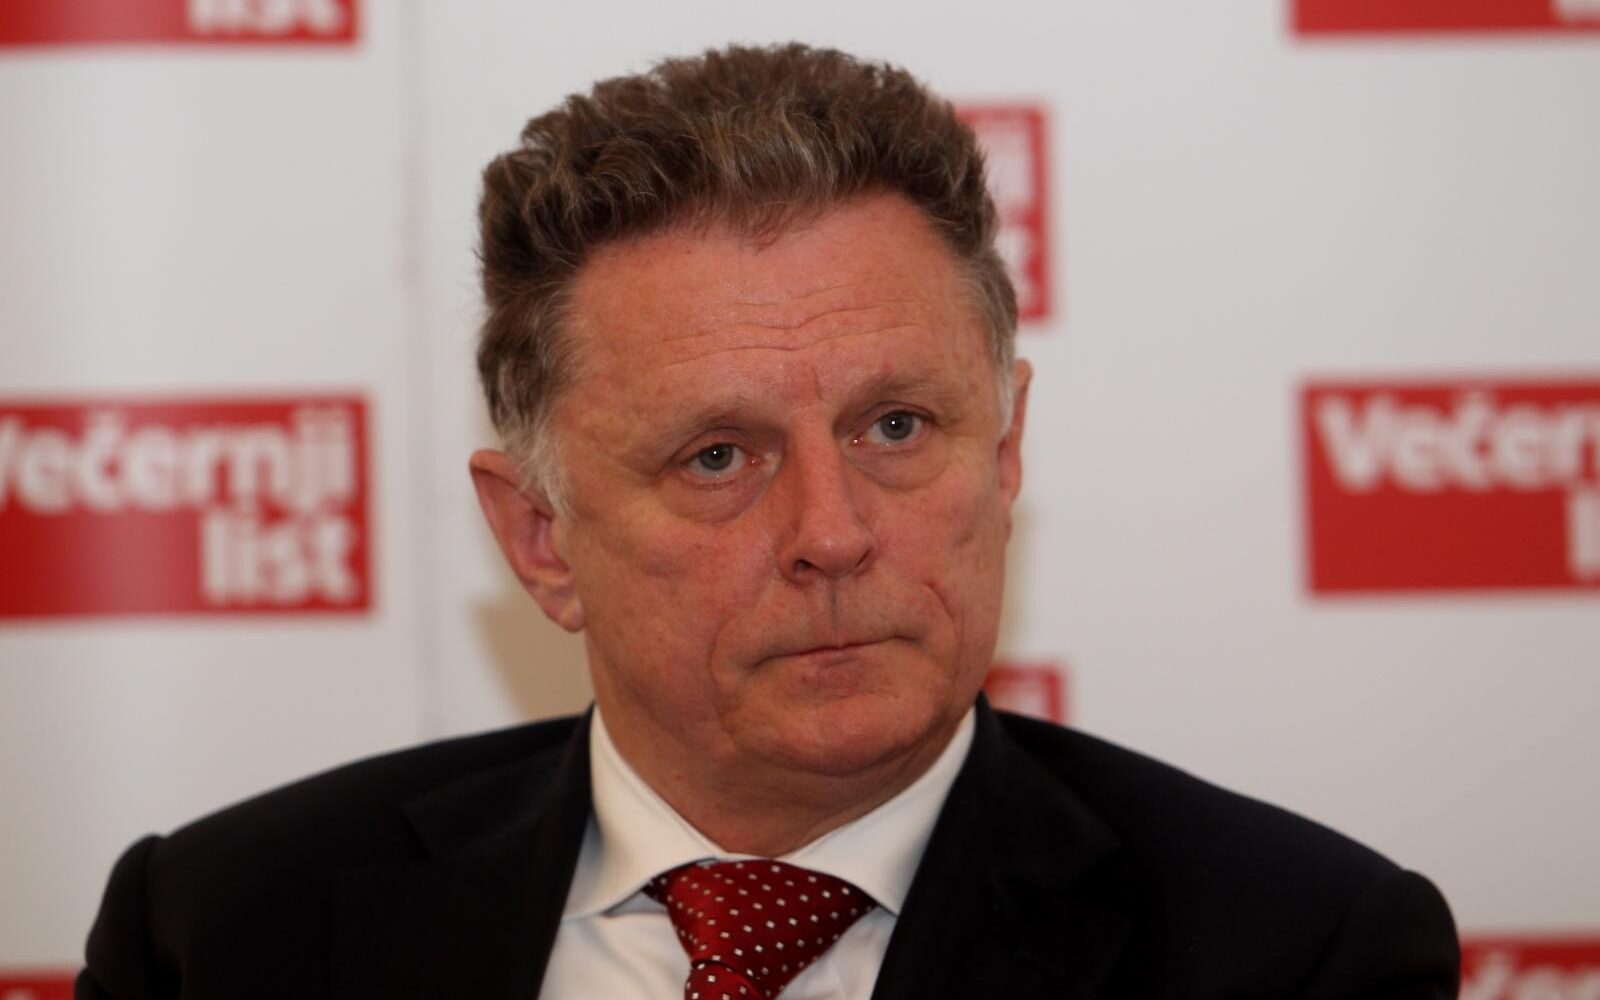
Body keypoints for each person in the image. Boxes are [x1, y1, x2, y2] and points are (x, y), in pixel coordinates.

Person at [78, 43, 1459, 999]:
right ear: (542, 539)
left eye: (896, 427)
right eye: (719, 456)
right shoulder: (224, 931)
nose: (833, 533)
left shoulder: (1296, 952)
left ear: (1006, 451)